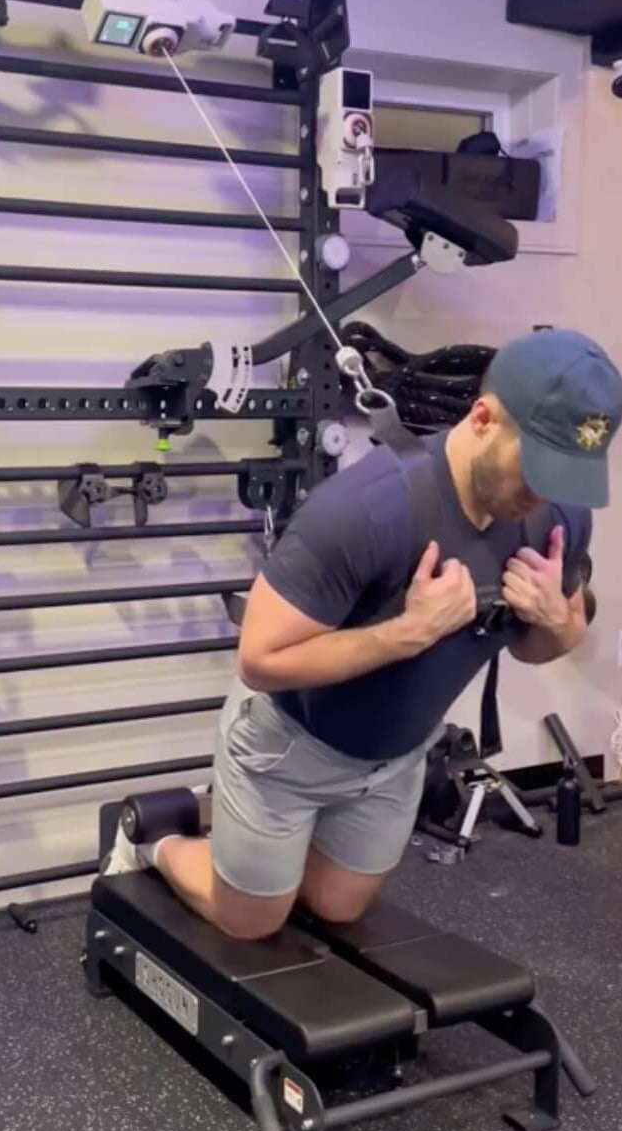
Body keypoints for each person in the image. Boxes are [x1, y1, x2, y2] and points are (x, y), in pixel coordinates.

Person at [105, 329, 622, 938]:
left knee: (337, 905)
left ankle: (239, 830)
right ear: (483, 419)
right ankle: (154, 838)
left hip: (395, 755)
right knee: (253, 918)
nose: (548, 492)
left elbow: (544, 646)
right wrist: (406, 633)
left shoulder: (557, 515)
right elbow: (260, 661)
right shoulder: (366, 510)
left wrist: (555, 619)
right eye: (537, 468)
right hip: (289, 744)